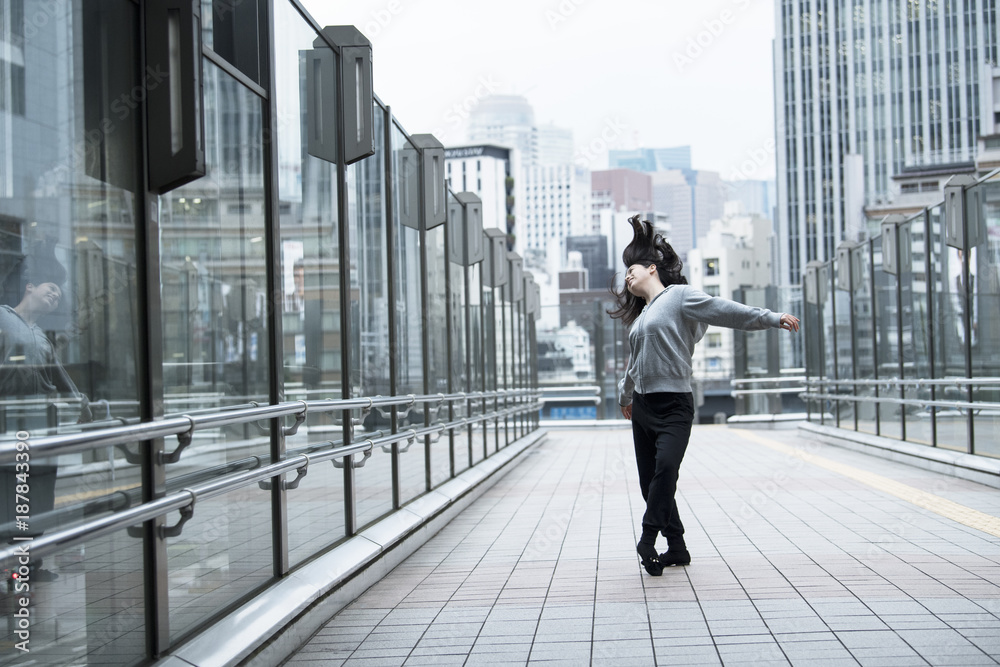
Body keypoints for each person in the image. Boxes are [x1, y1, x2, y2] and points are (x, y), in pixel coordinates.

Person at [609, 215, 799, 576]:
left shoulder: (679, 297)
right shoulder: (641, 318)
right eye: (625, 274)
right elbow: (634, 365)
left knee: (666, 470)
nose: (627, 277)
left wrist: (770, 317)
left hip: (675, 404)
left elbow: (725, 310)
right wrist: (625, 397)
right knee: (649, 481)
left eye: (632, 269)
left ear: (652, 268)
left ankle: (648, 540)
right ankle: (677, 547)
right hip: (644, 407)